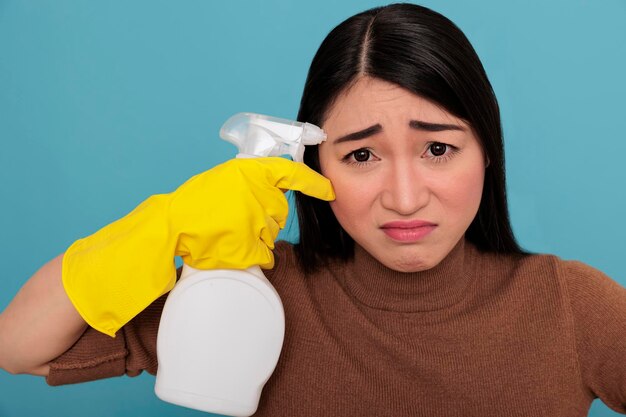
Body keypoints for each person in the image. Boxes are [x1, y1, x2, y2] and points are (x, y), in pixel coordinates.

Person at [1, 3, 625, 416]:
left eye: (438, 148)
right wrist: (163, 222)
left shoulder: (572, 305)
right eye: (361, 156)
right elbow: (17, 348)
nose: (405, 197)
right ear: (312, 167)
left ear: (487, 151)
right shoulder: (249, 290)